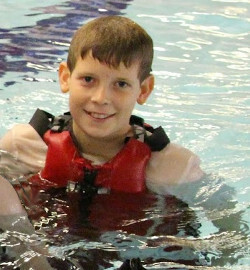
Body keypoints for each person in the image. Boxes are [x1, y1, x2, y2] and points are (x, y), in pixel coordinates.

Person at [0, 15, 204, 270]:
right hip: (44, 252)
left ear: (143, 90)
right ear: (65, 77)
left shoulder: (173, 167)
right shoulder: (24, 145)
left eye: (120, 84)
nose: (100, 98)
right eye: (88, 79)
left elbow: (231, 235)